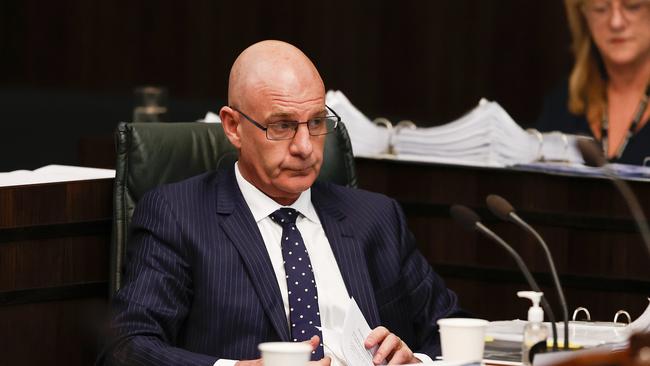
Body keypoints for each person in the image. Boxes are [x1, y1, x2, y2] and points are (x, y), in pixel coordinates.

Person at [98, 40, 464, 366]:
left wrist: (417, 359)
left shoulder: (376, 217)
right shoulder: (179, 215)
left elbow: (452, 333)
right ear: (233, 127)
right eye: (283, 126)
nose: (304, 146)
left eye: (317, 122)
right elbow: (126, 347)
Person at [537, 0, 650, 165]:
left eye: (633, 6)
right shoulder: (562, 104)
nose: (616, 22)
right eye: (600, 9)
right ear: (583, 16)